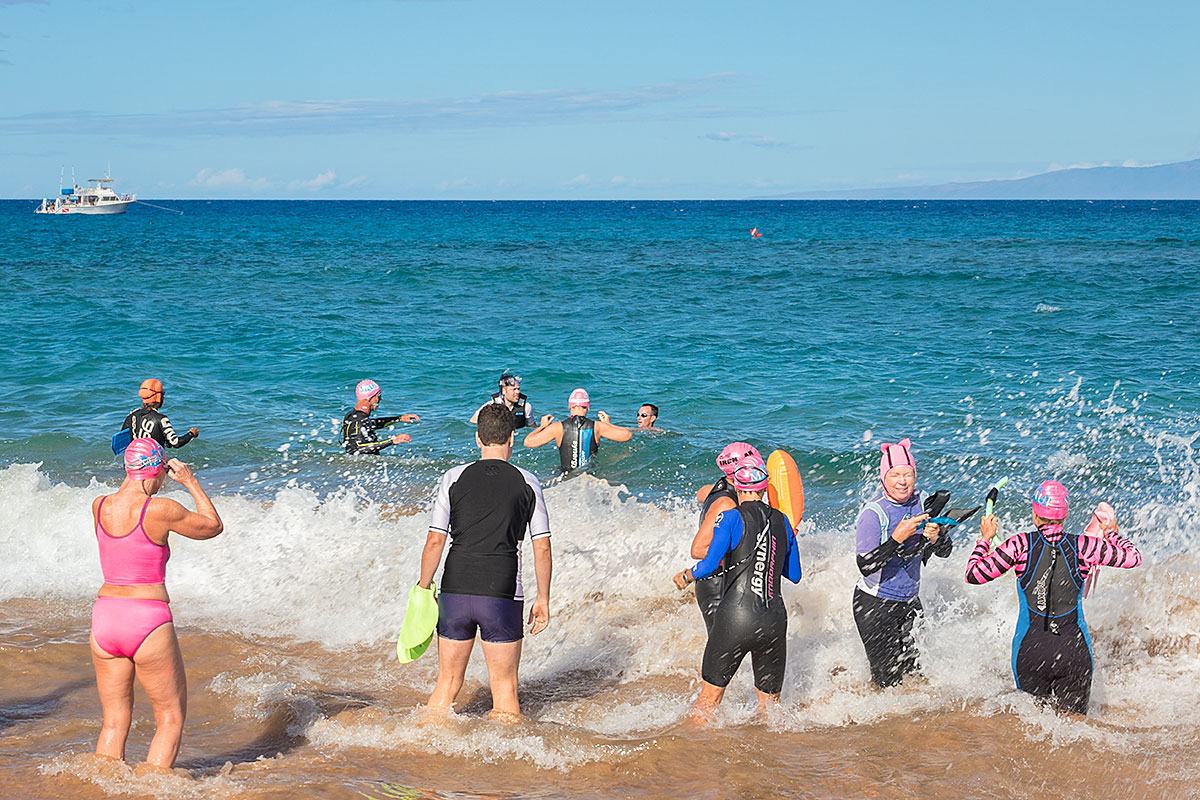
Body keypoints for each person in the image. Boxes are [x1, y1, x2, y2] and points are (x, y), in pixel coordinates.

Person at [89, 438, 223, 771]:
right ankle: (152, 792)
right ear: (157, 470)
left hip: (105, 619)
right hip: (145, 620)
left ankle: (103, 790)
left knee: (114, 721)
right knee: (170, 718)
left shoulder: (99, 505)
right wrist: (190, 481)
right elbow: (212, 526)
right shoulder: (160, 509)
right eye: (163, 471)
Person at [418, 403, 553, 718]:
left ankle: (424, 750)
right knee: (505, 690)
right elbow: (542, 546)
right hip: (502, 593)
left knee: (447, 682)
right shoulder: (528, 481)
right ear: (512, 439)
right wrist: (543, 599)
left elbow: (435, 539)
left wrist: (424, 587)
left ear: (478, 439)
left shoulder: (453, 477)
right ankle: (502, 765)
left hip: (455, 589)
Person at [965, 480, 1142, 715]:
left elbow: (973, 574)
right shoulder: (1084, 546)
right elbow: (1133, 558)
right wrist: (1111, 534)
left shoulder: (1019, 545)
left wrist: (985, 539)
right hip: (1073, 650)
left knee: (1032, 731)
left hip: (1031, 651)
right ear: (1065, 515)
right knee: (1076, 731)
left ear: (1035, 514)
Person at [673, 454, 801, 722]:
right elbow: (794, 574)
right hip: (774, 621)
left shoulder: (730, 517)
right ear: (765, 488)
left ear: (739, 488)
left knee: (708, 703)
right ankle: (767, 759)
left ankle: (689, 758)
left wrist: (687, 576)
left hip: (736, 619)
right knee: (771, 710)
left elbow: (708, 565)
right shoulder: (783, 522)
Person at [852, 438, 947, 688]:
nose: (902, 481)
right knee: (887, 683)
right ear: (884, 477)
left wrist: (936, 537)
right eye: (895, 475)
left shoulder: (922, 502)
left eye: (908, 474)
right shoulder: (873, 514)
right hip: (875, 604)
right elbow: (865, 566)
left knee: (915, 676)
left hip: (910, 603)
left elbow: (946, 551)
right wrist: (896, 538)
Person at [689, 442, 759, 631]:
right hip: (715, 585)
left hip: (724, 580)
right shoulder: (726, 504)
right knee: (720, 652)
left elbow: (700, 494)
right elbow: (698, 550)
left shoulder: (717, 488)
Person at [522, 388, 632, 473]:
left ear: (570, 407)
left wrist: (542, 427)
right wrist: (608, 424)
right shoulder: (597, 427)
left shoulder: (558, 427)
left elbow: (528, 442)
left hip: (565, 479)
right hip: (589, 479)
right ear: (587, 407)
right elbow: (627, 436)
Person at [340, 379, 419, 455]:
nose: (380, 399)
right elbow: (359, 448)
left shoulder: (352, 415)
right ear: (370, 398)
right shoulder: (360, 420)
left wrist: (400, 418)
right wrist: (392, 441)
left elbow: (372, 423)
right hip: (361, 466)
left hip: (356, 464)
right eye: (378, 395)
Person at [121, 379, 198, 450]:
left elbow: (122, 437)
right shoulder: (161, 419)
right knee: (176, 463)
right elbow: (176, 443)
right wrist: (191, 434)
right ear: (159, 397)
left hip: (131, 461)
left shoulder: (132, 414)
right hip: (152, 462)